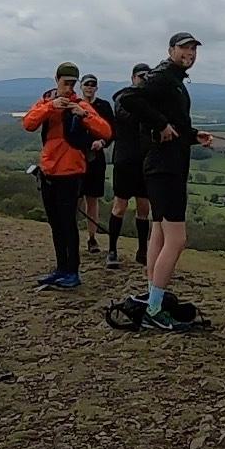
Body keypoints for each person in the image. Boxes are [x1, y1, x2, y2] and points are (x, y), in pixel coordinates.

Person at [114, 33, 213, 329]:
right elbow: (127, 98)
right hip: (165, 167)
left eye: (194, 49)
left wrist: (193, 135)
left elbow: (173, 121)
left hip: (161, 165)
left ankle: (151, 294)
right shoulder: (163, 77)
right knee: (177, 238)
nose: (191, 53)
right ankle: (155, 308)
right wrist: (160, 124)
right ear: (171, 50)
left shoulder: (174, 79)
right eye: (185, 48)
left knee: (158, 230)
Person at [22, 64, 112, 290]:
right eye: (66, 82)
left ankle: (72, 271)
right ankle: (61, 268)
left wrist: (84, 116)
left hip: (71, 174)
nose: (69, 87)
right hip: (48, 172)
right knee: (55, 224)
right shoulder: (46, 102)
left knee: (67, 223)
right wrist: (50, 107)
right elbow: (29, 123)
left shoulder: (80, 105)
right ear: (57, 80)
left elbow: (106, 131)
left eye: (73, 83)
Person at [106, 63, 154, 271]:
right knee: (120, 206)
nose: (143, 80)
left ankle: (143, 250)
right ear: (133, 77)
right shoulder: (122, 98)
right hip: (125, 159)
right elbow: (128, 118)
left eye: (147, 77)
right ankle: (112, 250)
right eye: (141, 76)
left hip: (144, 160)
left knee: (144, 207)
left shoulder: (149, 100)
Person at [76, 74, 115, 256]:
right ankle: (73, 236)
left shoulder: (104, 106)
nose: (90, 88)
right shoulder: (74, 106)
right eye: (87, 84)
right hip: (76, 157)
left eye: (93, 85)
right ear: (81, 86)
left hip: (96, 158)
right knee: (75, 198)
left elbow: (112, 131)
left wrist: (103, 142)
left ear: (97, 88)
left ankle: (92, 237)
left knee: (92, 199)